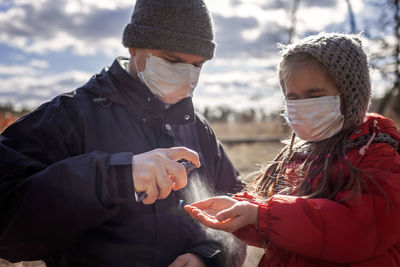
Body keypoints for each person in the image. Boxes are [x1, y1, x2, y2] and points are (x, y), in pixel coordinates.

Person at [0, 0, 246, 266]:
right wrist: (113, 178)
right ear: (134, 45)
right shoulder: (69, 118)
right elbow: (7, 229)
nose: (186, 75)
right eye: (171, 60)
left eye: (197, 65)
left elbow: (239, 213)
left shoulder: (198, 129)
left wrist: (209, 255)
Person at [185, 32, 400, 266]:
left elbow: (358, 230)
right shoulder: (300, 157)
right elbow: (282, 228)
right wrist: (244, 212)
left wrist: (261, 215)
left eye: (313, 95)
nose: (301, 106)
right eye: (293, 97)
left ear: (351, 96)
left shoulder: (378, 154)